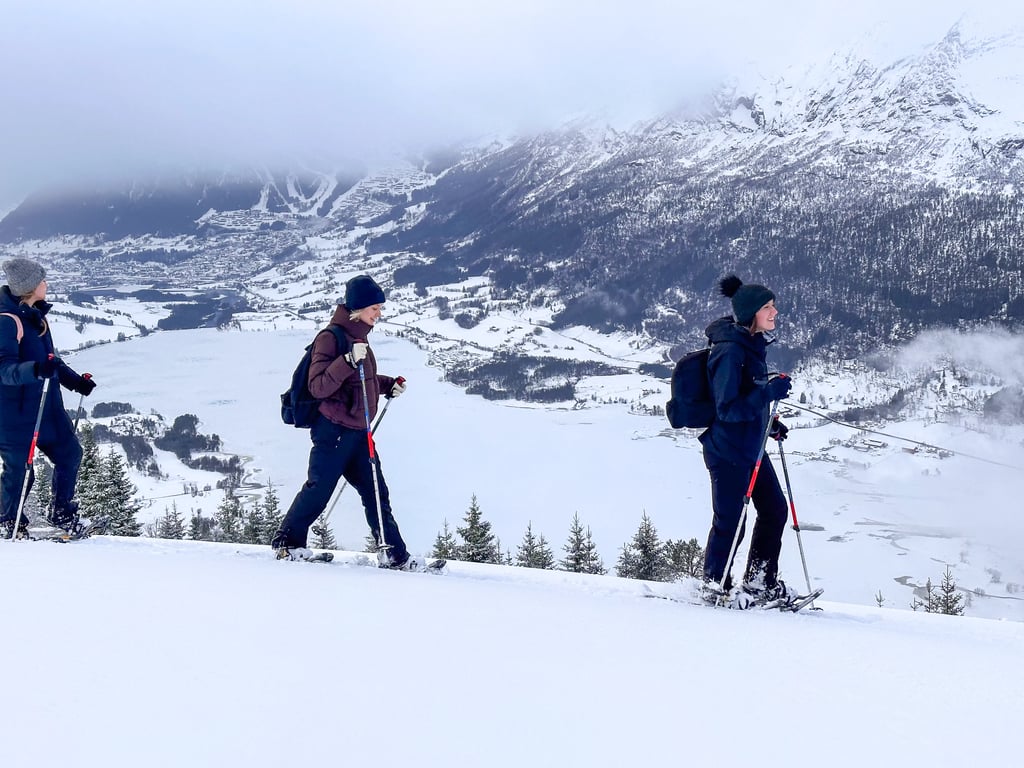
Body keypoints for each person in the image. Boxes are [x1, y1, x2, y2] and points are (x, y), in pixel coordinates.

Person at [271, 274, 417, 567]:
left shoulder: (359, 339)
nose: (379, 313)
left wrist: (388, 385)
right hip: (333, 431)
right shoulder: (331, 338)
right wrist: (347, 360)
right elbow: (319, 387)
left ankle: (394, 553)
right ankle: (287, 544)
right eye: (375, 308)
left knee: (376, 493)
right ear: (358, 308)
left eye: (379, 308)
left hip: (359, 433)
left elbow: (363, 380)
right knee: (319, 489)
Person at [699, 274, 794, 603]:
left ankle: (759, 583)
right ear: (752, 313)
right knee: (731, 523)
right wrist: (768, 392)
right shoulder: (729, 352)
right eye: (768, 307)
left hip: (750, 448)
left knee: (774, 510)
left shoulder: (751, 345)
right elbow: (727, 409)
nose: (775, 312)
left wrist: (768, 424)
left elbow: (747, 401)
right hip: (728, 452)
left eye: (773, 306)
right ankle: (713, 588)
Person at [0, 258, 97, 539]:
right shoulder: (7, 322)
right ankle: (10, 523)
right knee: (21, 470)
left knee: (70, 453)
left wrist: (75, 382)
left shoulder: (37, 318)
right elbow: (4, 369)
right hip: (15, 415)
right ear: (30, 286)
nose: (46, 283)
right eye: (42, 280)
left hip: (47, 409)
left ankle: (62, 513)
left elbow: (51, 361)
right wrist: (36, 370)